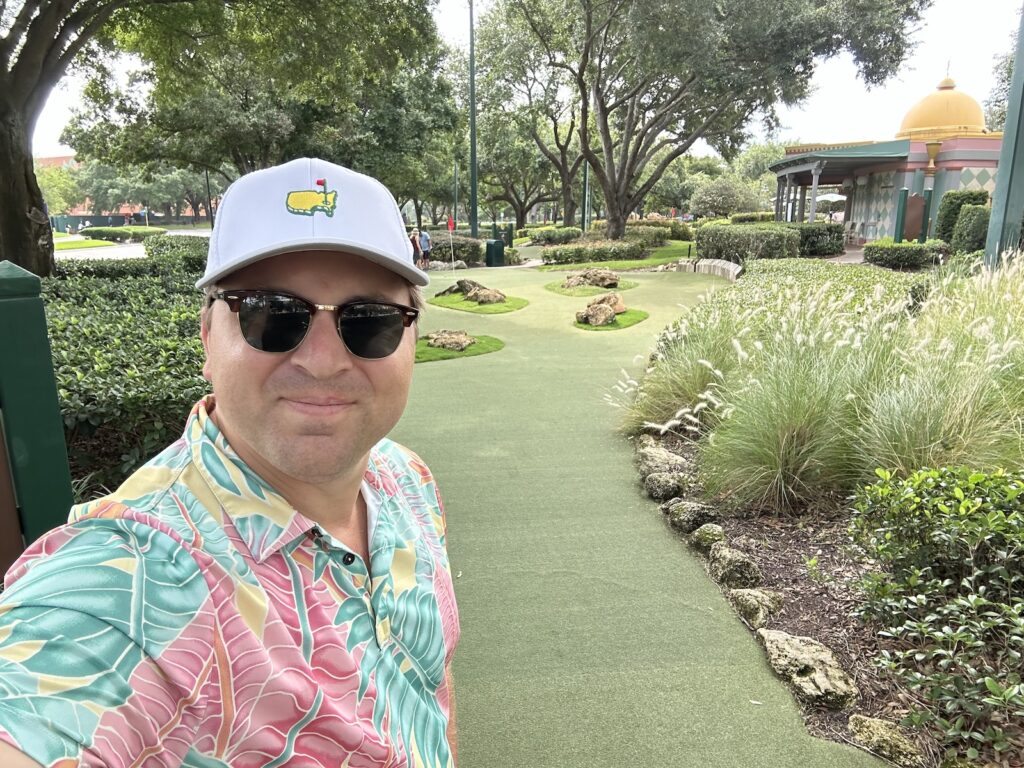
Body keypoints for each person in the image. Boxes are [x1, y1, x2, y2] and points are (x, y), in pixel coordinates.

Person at [0, 158, 460, 768]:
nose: (323, 361)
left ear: (411, 339)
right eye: (271, 315)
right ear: (208, 340)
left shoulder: (407, 479)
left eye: (369, 322)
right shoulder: (129, 580)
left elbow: (427, 693)